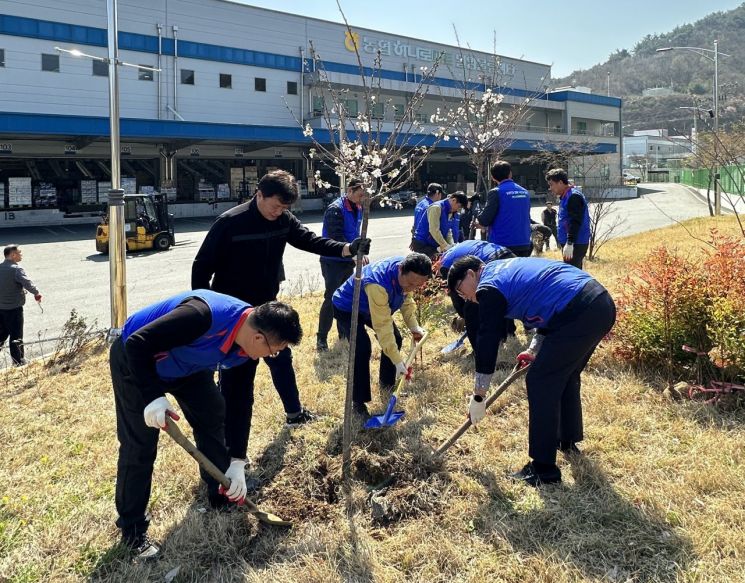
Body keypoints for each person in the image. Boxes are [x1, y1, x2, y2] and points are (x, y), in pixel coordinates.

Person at [191, 170, 371, 458]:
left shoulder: (284, 220)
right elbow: (201, 269)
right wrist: (206, 315)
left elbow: (310, 240)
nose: (279, 212)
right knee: (237, 383)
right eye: (275, 205)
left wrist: (348, 248)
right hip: (235, 318)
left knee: (281, 359)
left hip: (268, 307)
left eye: (285, 208)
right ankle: (231, 449)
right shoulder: (230, 223)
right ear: (259, 194)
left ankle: (294, 412)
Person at [110, 290, 302, 559]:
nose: (271, 356)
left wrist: (237, 462)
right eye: (274, 351)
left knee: (213, 413)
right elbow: (137, 343)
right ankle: (132, 530)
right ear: (259, 337)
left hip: (187, 366)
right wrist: (153, 396)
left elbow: (239, 401)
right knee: (139, 445)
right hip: (137, 361)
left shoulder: (248, 348)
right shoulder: (201, 316)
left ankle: (219, 490)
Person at [447, 256, 616, 486]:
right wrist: (533, 349)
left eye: (460, 289)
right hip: (598, 303)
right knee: (563, 375)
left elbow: (487, 341)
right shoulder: (502, 271)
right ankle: (566, 440)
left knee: (540, 382)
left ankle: (543, 469)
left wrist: (479, 395)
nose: (463, 296)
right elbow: (548, 311)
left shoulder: (488, 287)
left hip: (579, 311)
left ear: (471, 274)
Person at [332, 253, 430, 418]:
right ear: (401, 270)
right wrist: (398, 361)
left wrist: (414, 326)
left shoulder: (409, 272)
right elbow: (383, 326)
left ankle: (387, 384)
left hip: (371, 306)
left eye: (417, 285)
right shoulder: (378, 284)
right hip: (347, 307)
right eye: (410, 283)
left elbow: (406, 300)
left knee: (396, 339)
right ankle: (358, 402)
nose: (411, 288)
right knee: (361, 348)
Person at [437, 240, 515, 350]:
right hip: (508, 256)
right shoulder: (460, 247)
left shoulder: (446, 265)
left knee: (471, 310)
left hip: (490, 264)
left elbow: (456, 293)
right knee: (503, 298)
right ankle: (508, 332)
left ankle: (479, 350)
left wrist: (463, 314)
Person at [317, 179, 366, 352]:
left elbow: (355, 233)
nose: (362, 198)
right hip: (333, 261)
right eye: (360, 195)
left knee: (345, 298)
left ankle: (343, 333)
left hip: (348, 261)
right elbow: (335, 237)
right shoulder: (335, 209)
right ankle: (321, 338)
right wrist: (353, 254)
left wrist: (360, 251)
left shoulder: (358, 207)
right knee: (330, 299)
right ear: (350, 191)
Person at [475, 160, 532, 257]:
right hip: (524, 243)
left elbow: (484, 220)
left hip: (502, 245)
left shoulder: (496, 192)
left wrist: (476, 211)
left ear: (493, 177)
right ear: (510, 174)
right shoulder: (525, 192)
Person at [0, 244, 42, 365]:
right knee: (16, 335)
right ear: (13, 255)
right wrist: (37, 293)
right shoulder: (16, 269)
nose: (21, 254)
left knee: (1, 333)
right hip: (13, 309)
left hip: (1, 308)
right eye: (19, 252)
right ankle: (18, 361)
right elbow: (27, 283)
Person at [546, 168, 591, 269]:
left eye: (551, 184)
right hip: (570, 241)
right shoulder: (565, 196)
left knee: (573, 274)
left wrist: (570, 243)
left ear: (561, 182)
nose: (550, 188)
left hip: (575, 243)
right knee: (571, 272)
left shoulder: (573, 197)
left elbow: (575, 221)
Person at [411, 192, 468, 259]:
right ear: (454, 200)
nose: (458, 210)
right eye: (459, 207)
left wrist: (451, 245)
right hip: (423, 244)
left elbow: (448, 231)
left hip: (434, 244)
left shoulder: (450, 211)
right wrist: (445, 246)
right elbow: (434, 230)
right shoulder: (436, 208)